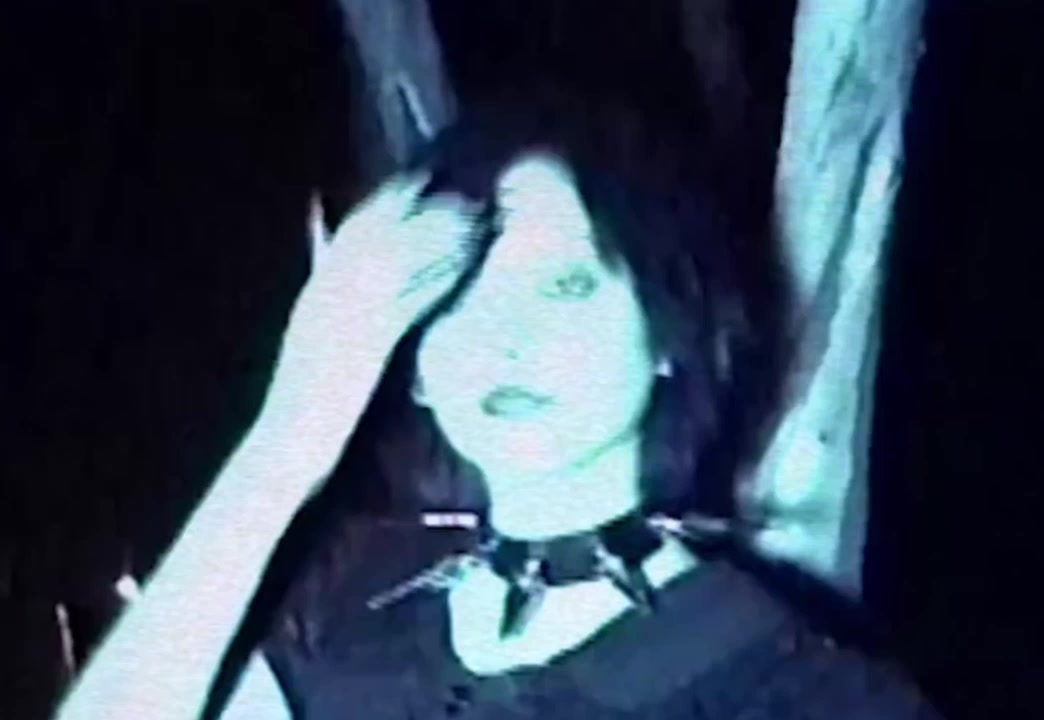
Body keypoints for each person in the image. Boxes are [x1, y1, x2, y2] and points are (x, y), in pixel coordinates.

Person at [55, 85, 942, 720]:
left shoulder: (794, 686)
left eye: (566, 286)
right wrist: (292, 431)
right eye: (460, 294)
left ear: (669, 331)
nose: (504, 337)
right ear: (414, 361)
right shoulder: (353, 639)